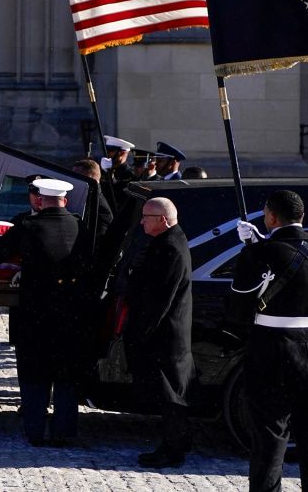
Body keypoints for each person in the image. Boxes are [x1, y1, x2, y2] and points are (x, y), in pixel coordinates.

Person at [231, 191, 308, 492]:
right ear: (301, 215)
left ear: (270, 217)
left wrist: (252, 251)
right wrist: (260, 247)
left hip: (272, 352)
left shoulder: (260, 254)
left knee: (269, 439)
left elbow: (239, 308)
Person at [0, 178, 88, 446]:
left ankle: (35, 430)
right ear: (64, 200)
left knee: (34, 371)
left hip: (36, 313)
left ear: (39, 200)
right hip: (72, 313)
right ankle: (65, 431)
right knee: (65, 373)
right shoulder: (80, 226)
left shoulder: (28, 227)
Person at [124, 197, 194, 468]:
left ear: (162, 220)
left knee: (171, 397)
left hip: (165, 337)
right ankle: (176, 442)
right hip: (166, 334)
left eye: (146, 217)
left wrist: (140, 333)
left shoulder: (170, 249)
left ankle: (172, 449)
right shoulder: (166, 242)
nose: (142, 221)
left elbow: (159, 299)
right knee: (170, 394)